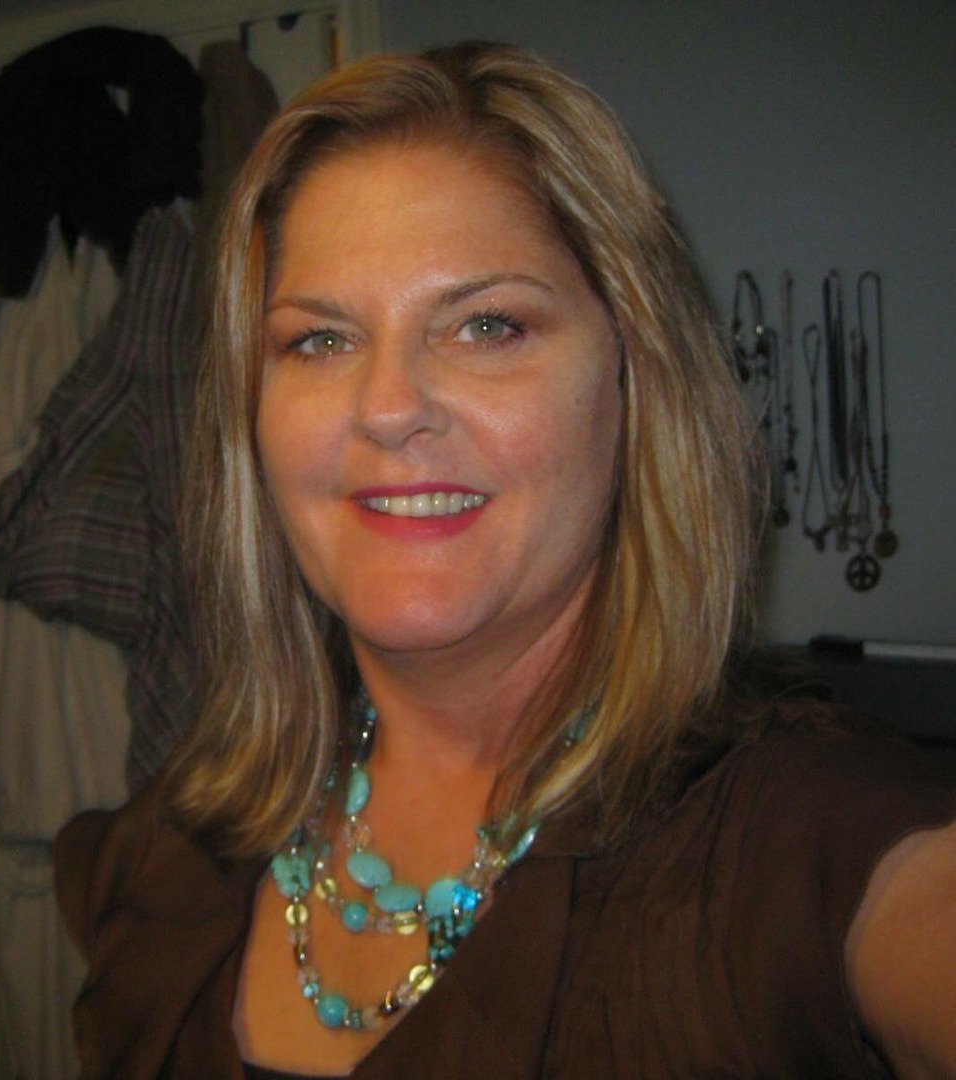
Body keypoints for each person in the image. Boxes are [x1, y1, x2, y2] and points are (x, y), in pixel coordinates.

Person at [54, 42, 956, 1079]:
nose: (388, 406)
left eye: (486, 326)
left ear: (634, 378)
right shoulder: (174, 844)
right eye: (319, 340)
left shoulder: (800, 837)